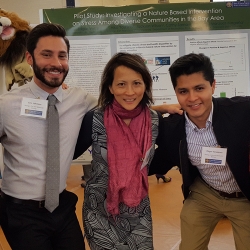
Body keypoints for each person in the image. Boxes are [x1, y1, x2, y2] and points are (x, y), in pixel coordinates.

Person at [0, 23, 97, 249]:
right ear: (30, 58)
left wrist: (166, 108)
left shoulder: (79, 99)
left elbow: (120, 107)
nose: (56, 63)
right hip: (22, 213)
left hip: (62, 207)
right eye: (46, 55)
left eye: (62, 56)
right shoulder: (7, 105)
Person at [73, 52, 182, 250]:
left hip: (138, 210)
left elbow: (165, 157)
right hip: (99, 211)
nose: (130, 92)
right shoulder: (95, 119)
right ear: (110, 87)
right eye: (121, 84)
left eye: (137, 83)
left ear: (145, 85)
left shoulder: (155, 121)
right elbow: (68, 153)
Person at [149, 53, 250, 249]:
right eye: (183, 91)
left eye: (199, 88)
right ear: (176, 92)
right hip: (206, 194)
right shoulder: (173, 128)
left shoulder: (241, 111)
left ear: (213, 85)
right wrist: (155, 109)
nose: (193, 98)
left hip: (244, 196)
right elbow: (124, 116)